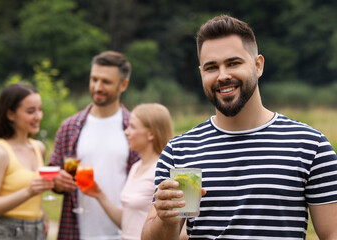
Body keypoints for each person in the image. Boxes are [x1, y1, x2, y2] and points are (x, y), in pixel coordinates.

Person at [141, 15, 337, 240]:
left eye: (233, 63)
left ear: (258, 65)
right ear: (201, 73)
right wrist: (166, 220)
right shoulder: (180, 151)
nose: (223, 76)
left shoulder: (310, 146)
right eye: (211, 67)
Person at [49, 51, 139, 240]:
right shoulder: (70, 127)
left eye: (106, 82)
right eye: (94, 79)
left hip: (124, 232)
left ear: (124, 85)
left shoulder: (134, 128)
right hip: (76, 232)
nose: (97, 87)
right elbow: (54, 172)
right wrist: (57, 181)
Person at [81, 103, 174, 240]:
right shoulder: (136, 167)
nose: (126, 132)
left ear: (151, 134)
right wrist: (100, 196)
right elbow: (127, 223)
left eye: (132, 127)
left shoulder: (162, 171)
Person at [0, 83, 53, 240]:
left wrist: (40, 214)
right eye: (30, 111)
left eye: (40, 109)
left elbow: (32, 199)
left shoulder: (39, 147)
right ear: (10, 114)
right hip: (7, 233)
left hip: (37, 231)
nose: (38, 116)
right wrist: (28, 192)